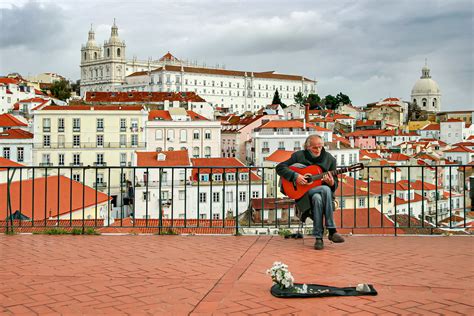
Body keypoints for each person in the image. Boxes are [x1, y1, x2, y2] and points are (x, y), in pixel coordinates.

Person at [276, 134, 345, 250]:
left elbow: (335, 184)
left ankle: (319, 238)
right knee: (325, 189)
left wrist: (331, 182)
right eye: (315, 147)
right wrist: (295, 176)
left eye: (321, 147)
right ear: (308, 147)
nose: (318, 150)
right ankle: (332, 230)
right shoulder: (299, 156)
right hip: (303, 195)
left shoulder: (330, 160)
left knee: (318, 198)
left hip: (322, 196)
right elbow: (280, 167)